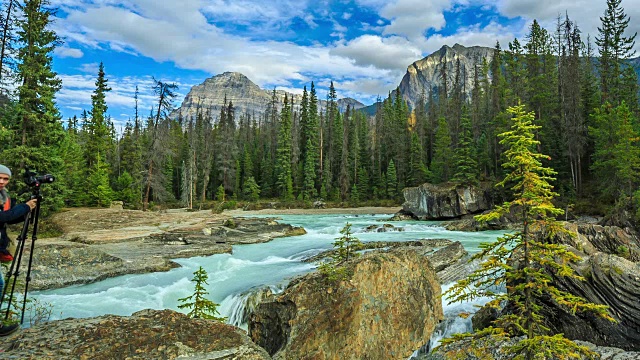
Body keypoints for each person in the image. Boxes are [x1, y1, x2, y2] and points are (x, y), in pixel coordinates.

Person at [0, 164, 36, 337]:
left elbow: (9, 219)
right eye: (0, 177)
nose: (2, 181)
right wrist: (25, 207)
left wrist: (27, 211)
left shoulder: (4, 196)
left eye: (5, 179)